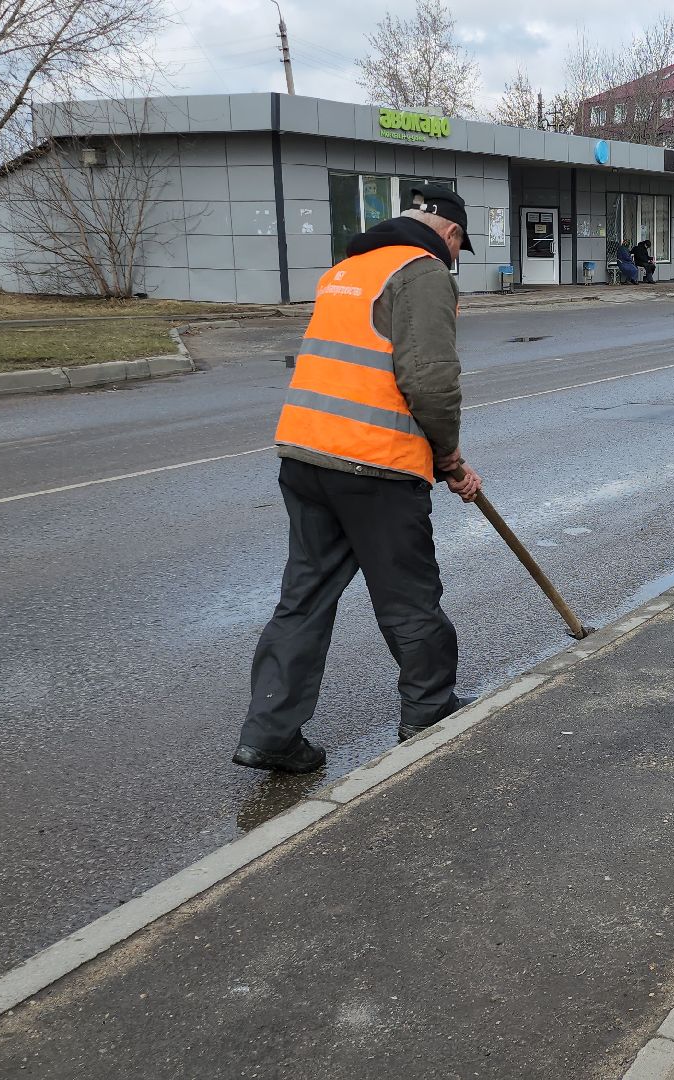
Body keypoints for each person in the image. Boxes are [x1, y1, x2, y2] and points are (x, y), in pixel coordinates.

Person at [233, 184, 485, 773]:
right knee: (408, 597)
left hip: (305, 454)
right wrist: (448, 457)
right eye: (458, 247)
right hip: (375, 464)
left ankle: (270, 732)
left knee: (303, 599)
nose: (454, 258)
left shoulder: (346, 270)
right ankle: (429, 709)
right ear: (450, 236)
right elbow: (429, 380)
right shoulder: (422, 270)